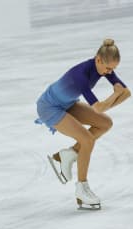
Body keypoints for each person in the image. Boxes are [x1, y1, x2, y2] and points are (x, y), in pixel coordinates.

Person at [36, 39, 131, 209]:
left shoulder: (104, 68)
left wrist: (112, 99)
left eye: (113, 70)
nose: (109, 73)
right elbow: (100, 106)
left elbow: (126, 93)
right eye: (108, 68)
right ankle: (82, 188)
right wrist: (113, 96)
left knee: (105, 123)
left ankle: (68, 154)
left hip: (67, 103)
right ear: (98, 59)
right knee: (87, 140)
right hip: (50, 107)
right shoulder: (80, 74)